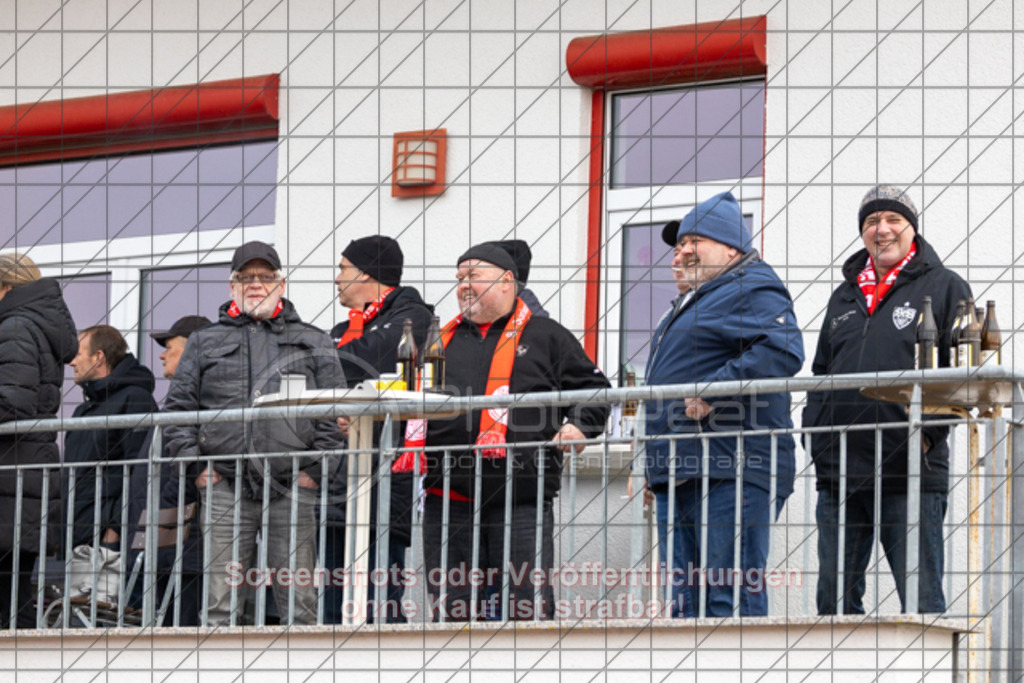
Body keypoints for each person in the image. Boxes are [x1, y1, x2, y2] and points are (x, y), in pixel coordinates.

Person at [399, 242, 610, 621]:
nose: (463, 285)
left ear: (506, 281)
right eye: (459, 278)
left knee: (524, 609)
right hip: (447, 497)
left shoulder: (546, 335)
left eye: (473, 276)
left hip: (520, 495)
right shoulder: (440, 341)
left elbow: (595, 390)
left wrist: (580, 425)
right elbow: (412, 402)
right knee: (453, 610)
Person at [806, 185, 971, 615]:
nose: (882, 230)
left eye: (893, 220)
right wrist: (817, 439)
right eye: (871, 222)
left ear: (912, 228)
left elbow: (961, 371)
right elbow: (821, 372)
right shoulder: (843, 296)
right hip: (840, 471)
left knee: (920, 604)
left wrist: (928, 436)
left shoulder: (945, 286)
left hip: (909, 469)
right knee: (833, 605)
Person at [163, 241, 345, 626]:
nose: (256, 284)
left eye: (265, 277)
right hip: (224, 483)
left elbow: (335, 415)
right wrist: (200, 470)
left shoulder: (314, 339)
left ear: (281, 283)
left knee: (300, 604)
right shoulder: (204, 340)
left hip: (293, 485)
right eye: (247, 277)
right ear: (232, 286)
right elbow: (178, 413)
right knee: (218, 606)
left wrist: (312, 472)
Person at [644, 191, 804, 618]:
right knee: (685, 605)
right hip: (683, 468)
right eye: (679, 245)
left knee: (727, 598)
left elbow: (783, 348)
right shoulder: (698, 299)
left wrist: (714, 390)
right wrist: (649, 464)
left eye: (694, 240)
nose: (683, 251)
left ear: (731, 247)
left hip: (732, 466)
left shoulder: (750, 284)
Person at [328, 234, 433, 623]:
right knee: (332, 597)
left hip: (386, 477)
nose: (336, 279)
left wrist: (330, 365)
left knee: (379, 592)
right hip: (339, 479)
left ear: (369, 273)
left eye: (343, 269)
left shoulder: (413, 317)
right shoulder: (344, 327)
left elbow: (367, 359)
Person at [0, 253, 78, 628]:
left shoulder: (14, 326)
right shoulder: (34, 325)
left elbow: (13, 401)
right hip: (21, 478)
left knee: (9, 605)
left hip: (10, 478)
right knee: (13, 599)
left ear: (6, 287)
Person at [125, 315, 211, 625]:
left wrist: (163, 510)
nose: (161, 354)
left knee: (179, 631)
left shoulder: (201, 399)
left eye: (169, 346)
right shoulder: (181, 399)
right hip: (166, 538)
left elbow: (190, 468)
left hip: (184, 544)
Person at [65, 325, 158, 551]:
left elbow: (142, 472)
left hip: (109, 543)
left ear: (98, 357)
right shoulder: (84, 410)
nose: (71, 362)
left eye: (78, 354)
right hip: (78, 537)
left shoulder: (135, 400)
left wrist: (114, 530)